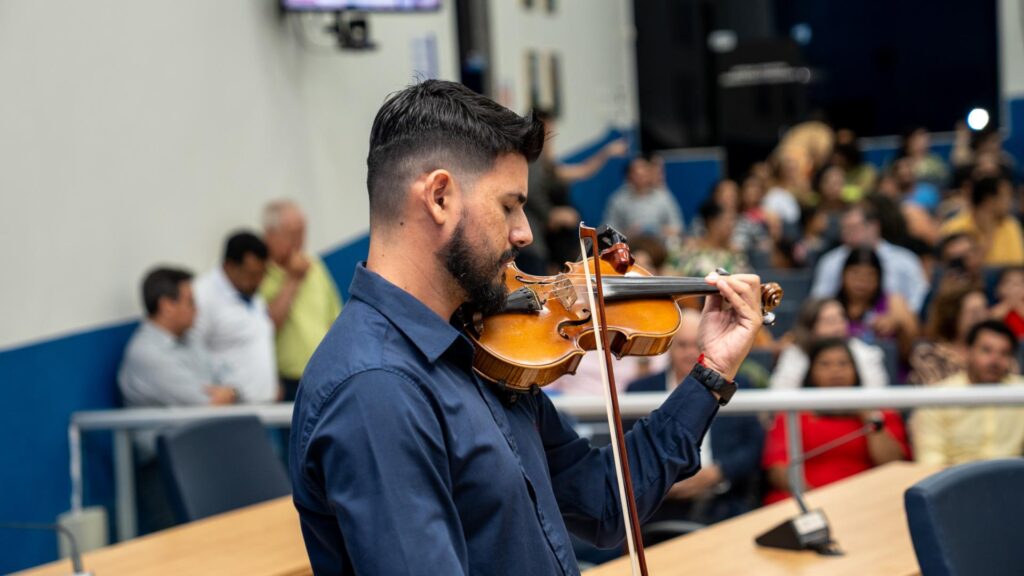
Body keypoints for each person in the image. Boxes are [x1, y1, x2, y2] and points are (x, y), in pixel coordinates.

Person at [289, 79, 765, 575]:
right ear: (439, 197)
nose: (525, 232)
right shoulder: (376, 388)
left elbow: (604, 504)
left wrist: (712, 371)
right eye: (508, 205)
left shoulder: (485, 346)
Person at [118, 267, 239, 533]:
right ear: (166, 306)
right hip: (163, 470)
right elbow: (207, 403)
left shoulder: (190, 341)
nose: (196, 310)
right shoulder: (146, 354)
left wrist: (225, 393)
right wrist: (221, 394)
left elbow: (227, 382)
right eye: (190, 302)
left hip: (202, 458)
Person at [627, 310, 765, 528]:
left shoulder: (740, 385)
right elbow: (629, 450)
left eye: (698, 346)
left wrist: (718, 472)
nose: (691, 353)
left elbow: (753, 445)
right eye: (682, 345)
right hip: (657, 506)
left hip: (724, 502)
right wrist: (660, 481)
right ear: (669, 348)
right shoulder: (639, 390)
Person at [762, 338, 910, 504]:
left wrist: (869, 416)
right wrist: (817, 501)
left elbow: (892, 464)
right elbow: (777, 471)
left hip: (867, 501)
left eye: (843, 364)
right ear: (812, 372)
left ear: (856, 370)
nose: (835, 370)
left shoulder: (880, 413)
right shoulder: (792, 414)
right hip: (807, 501)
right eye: (825, 364)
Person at [518, 110, 628, 274]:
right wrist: (551, 214)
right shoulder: (533, 159)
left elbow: (583, 170)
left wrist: (606, 152)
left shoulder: (546, 162)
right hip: (536, 240)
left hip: (548, 240)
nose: (550, 137)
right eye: (547, 130)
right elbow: (531, 191)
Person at [260, 200, 343, 401]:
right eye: (292, 234)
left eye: (302, 233)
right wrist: (293, 279)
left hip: (329, 373)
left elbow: (335, 318)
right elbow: (268, 324)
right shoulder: (259, 275)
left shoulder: (314, 265)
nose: (299, 241)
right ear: (269, 235)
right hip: (290, 382)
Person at [911, 320, 1024, 465]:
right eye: (986, 350)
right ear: (967, 352)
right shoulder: (937, 397)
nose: (995, 360)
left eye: (1004, 353)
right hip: (954, 482)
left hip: (1011, 481)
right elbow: (930, 462)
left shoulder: (1019, 392)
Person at [192, 231, 277, 403]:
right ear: (229, 266)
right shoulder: (203, 296)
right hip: (232, 409)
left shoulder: (250, 291)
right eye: (252, 274)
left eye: (263, 273)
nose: (259, 281)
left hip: (265, 405)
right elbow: (193, 352)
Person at [810, 204, 929, 314]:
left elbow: (920, 296)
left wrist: (898, 317)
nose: (847, 233)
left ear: (874, 227)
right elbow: (819, 301)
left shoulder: (904, 259)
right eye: (844, 228)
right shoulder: (831, 261)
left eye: (853, 227)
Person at [770, 298, 889, 389]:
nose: (838, 327)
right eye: (829, 321)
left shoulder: (865, 352)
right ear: (810, 327)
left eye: (841, 319)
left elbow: (877, 394)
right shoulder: (795, 353)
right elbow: (781, 394)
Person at [835, 247, 918, 357]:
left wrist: (898, 323)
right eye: (855, 273)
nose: (861, 281)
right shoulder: (831, 307)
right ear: (843, 275)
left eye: (869, 275)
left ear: (879, 278)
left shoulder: (894, 302)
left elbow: (915, 343)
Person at [909, 282, 989, 386]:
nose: (981, 318)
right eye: (974, 313)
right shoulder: (927, 354)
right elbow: (935, 393)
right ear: (953, 316)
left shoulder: (998, 353)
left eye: (985, 310)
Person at [940, 175, 1024, 267]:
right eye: (1005, 196)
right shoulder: (953, 227)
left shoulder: (1011, 225)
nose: (1010, 202)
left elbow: (1018, 267)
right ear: (989, 200)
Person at [603, 155, 684, 240]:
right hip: (630, 246)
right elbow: (608, 231)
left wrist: (659, 230)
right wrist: (628, 233)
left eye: (645, 173)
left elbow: (678, 227)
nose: (642, 177)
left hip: (659, 246)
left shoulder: (663, 196)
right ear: (628, 177)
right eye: (637, 174)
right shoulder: (618, 200)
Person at [991, 267, 1024, 339]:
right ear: (999, 289)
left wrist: (1019, 306)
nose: (1015, 287)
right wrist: (1007, 305)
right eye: (1009, 282)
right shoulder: (995, 311)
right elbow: (989, 326)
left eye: (1020, 283)